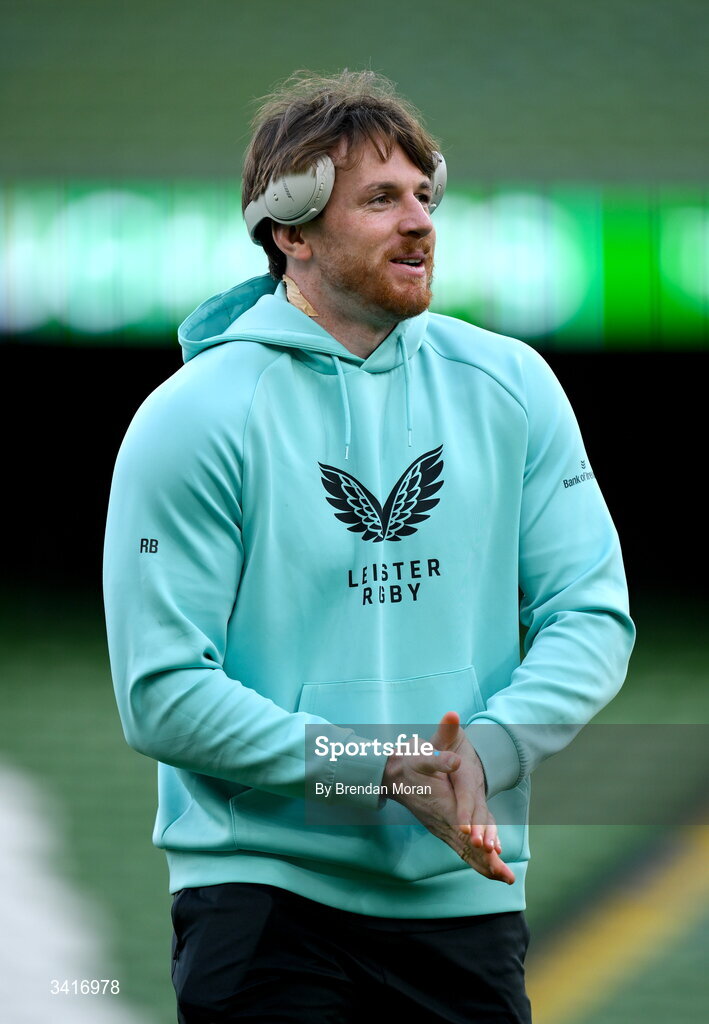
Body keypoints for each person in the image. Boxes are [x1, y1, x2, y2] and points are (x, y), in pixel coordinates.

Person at [103, 70, 635, 1023]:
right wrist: (380, 764)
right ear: (291, 230)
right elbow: (162, 696)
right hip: (264, 903)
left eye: (425, 195)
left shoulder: (511, 385)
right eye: (379, 199)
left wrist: (489, 751)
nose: (418, 221)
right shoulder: (193, 417)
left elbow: (589, 613)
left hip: (464, 899)